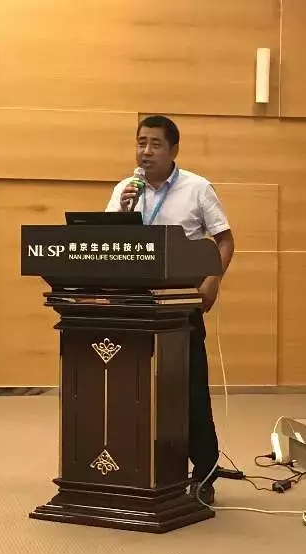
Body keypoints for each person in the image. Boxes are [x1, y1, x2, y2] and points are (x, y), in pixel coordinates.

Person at [105, 115, 235, 504]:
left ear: (174, 149)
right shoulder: (125, 190)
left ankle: (205, 471)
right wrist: (124, 212)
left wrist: (212, 280)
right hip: (134, 305)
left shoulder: (197, 189)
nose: (146, 151)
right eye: (141, 143)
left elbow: (225, 240)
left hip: (180, 305)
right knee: (133, 388)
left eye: (155, 144)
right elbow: (107, 242)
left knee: (189, 390)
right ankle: (138, 466)